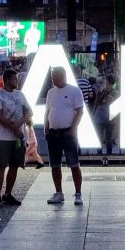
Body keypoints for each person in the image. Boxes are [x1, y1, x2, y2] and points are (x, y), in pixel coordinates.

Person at [0, 69, 33, 208]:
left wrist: (19, 124)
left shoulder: (20, 95)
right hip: (3, 137)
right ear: (8, 80)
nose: (17, 81)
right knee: (1, 166)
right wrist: (15, 129)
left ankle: (7, 194)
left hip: (18, 137)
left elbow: (29, 111)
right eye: (15, 79)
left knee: (14, 166)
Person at [44, 68, 84, 206]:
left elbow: (79, 111)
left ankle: (78, 193)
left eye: (56, 76)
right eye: (52, 76)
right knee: (55, 165)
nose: (53, 79)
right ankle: (58, 192)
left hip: (67, 132)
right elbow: (48, 111)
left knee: (73, 163)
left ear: (63, 76)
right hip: (53, 133)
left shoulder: (74, 91)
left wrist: (73, 128)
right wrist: (46, 127)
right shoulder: (51, 92)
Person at [93, 75, 117, 165]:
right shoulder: (102, 91)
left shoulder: (114, 92)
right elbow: (96, 102)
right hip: (103, 115)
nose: (105, 83)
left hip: (106, 115)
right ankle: (103, 155)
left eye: (106, 81)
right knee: (103, 137)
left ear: (109, 82)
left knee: (107, 137)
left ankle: (106, 156)